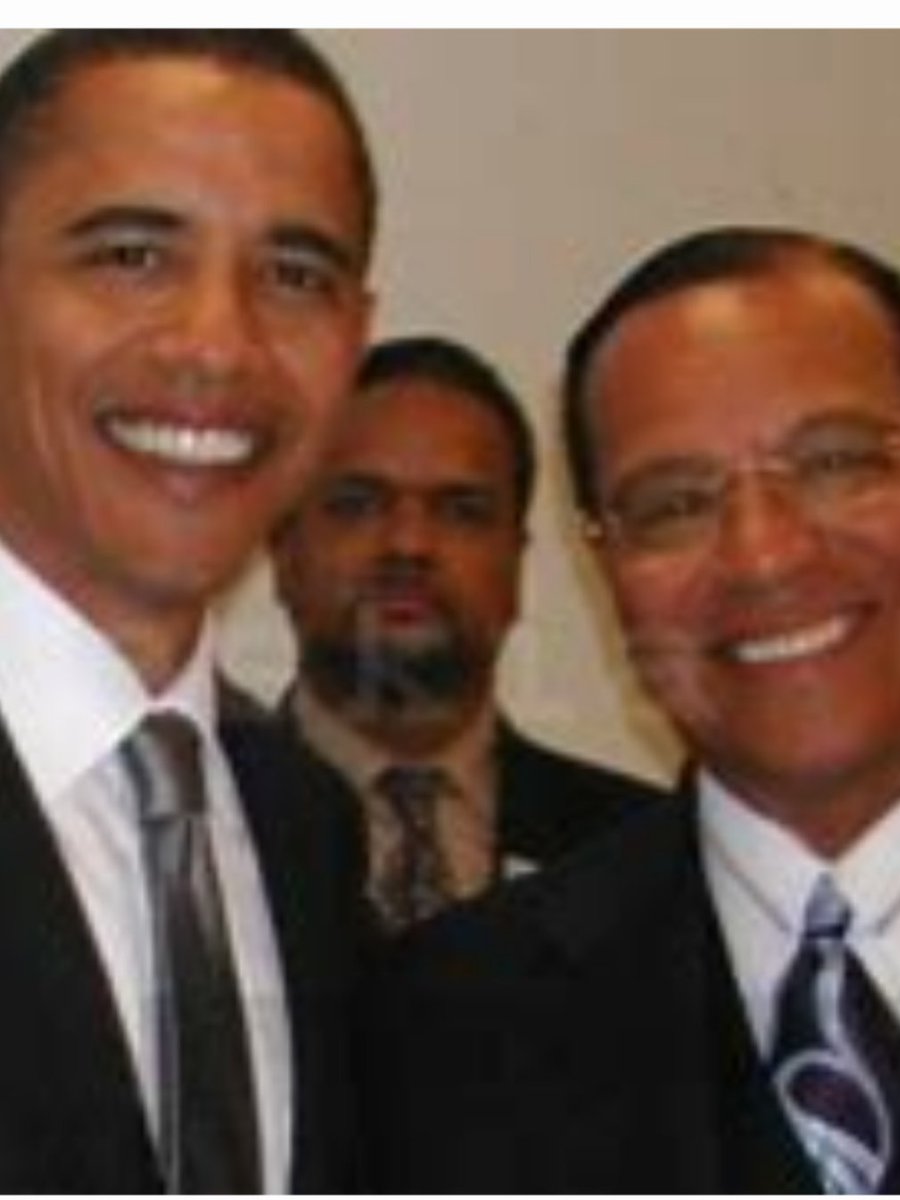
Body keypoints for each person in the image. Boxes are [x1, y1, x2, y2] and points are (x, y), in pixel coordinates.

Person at [361, 228, 900, 1193]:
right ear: (603, 566)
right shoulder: (437, 1032)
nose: (764, 556)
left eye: (834, 462)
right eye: (675, 505)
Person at [0, 29, 374, 1192]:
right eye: (133, 256)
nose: (218, 345)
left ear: (357, 339)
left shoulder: (305, 828)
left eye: (295, 276)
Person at [272, 335, 649, 935]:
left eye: (461, 511)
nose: (408, 545)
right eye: (358, 504)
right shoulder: (200, 823)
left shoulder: (638, 851)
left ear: (516, 565)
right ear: (284, 551)